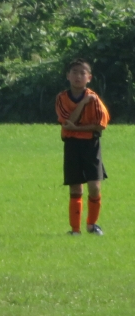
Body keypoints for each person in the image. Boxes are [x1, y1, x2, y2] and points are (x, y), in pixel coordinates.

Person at [55, 59, 110, 236]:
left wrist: (77, 129)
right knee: (75, 188)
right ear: (68, 76)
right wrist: (83, 103)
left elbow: (100, 126)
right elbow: (67, 122)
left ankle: (92, 225)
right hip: (72, 145)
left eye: (82, 73)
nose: (78, 76)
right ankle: (75, 230)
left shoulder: (95, 100)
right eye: (74, 72)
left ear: (89, 77)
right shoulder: (62, 98)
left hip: (91, 145)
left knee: (94, 187)